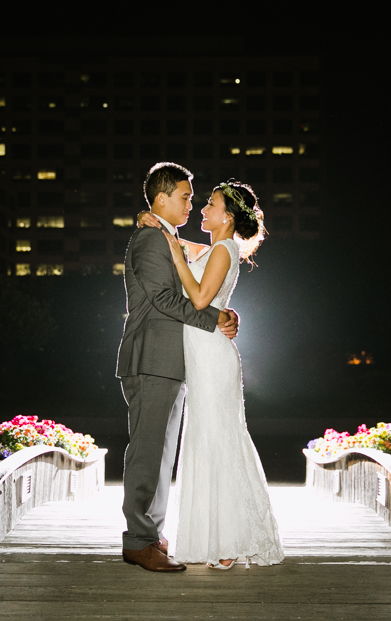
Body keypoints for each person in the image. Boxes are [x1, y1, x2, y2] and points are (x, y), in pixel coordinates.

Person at [140, 179, 284, 570]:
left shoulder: (225, 248)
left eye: (211, 204)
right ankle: (220, 538)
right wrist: (150, 220)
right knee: (208, 439)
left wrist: (176, 257)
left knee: (219, 440)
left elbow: (201, 298)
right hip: (201, 354)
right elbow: (175, 239)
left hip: (212, 357)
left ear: (229, 216)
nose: (202, 209)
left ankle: (229, 540)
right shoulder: (212, 248)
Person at [116, 162, 239, 572]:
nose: (191, 204)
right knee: (148, 452)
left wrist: (222, 310)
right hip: (151, 357)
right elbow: (162, 300)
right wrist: (214, 318)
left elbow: (208, 262)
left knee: (162, 452)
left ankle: (150, 533)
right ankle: (137, 540)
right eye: (185, 197)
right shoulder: (151, 240)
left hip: (170, 361)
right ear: (162, 197)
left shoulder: (165, 237)